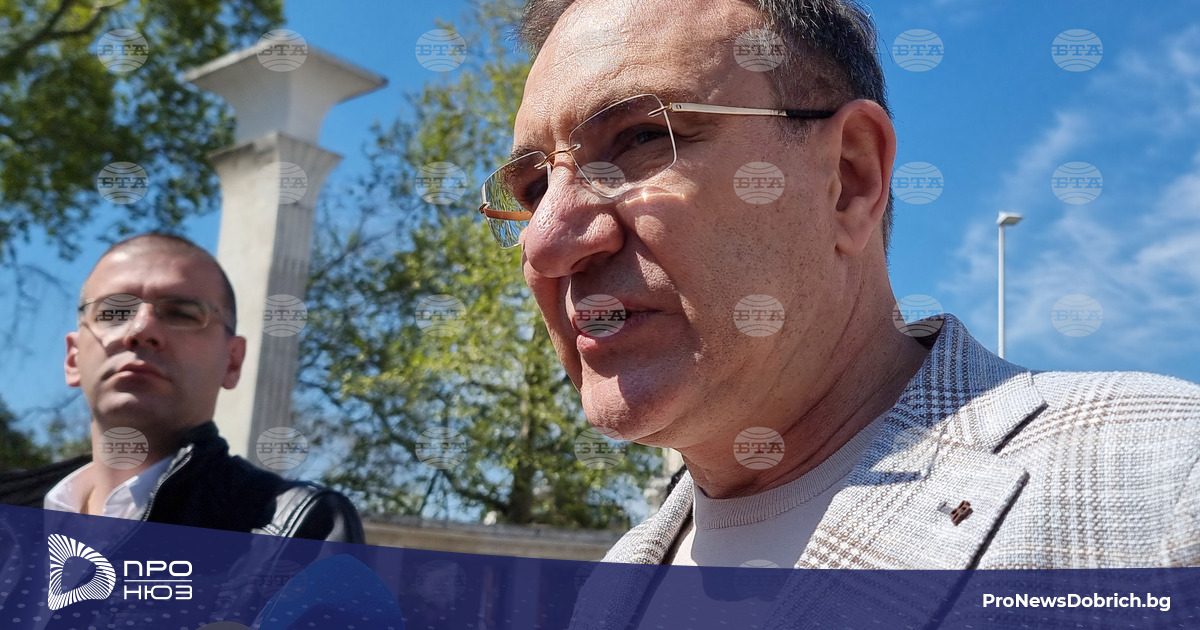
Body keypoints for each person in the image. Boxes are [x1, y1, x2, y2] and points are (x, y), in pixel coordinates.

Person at [475, 0, 1200, 576]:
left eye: (639, 139)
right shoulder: (616, 583)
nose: (546, 241)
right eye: (534, 189)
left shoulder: (1166, 487)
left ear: (850, 179)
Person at [0, 233, 363, 543]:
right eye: (113, 312)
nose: (141, 330)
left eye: (181, 313)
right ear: (73, 358)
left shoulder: (299, 529)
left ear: (232, 362)